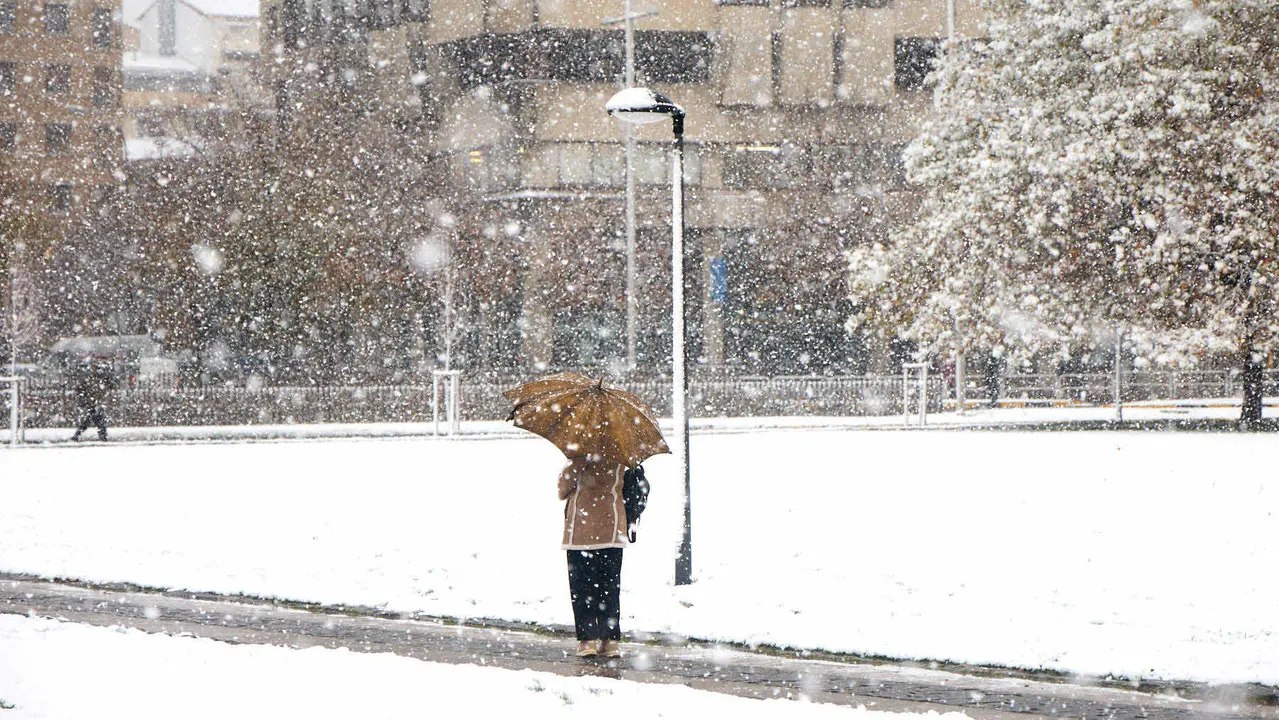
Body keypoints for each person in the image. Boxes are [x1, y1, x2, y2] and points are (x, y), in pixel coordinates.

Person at [558, 455, 629, 659]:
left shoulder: (581, 453)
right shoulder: (621, 452)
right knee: (609, 586)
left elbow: (563, 489)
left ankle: (587, 640)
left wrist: (574, 462)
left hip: (582, 532)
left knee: (582, 588)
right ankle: (610, 641)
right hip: (614, 529)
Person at [71, 359, 117, 442]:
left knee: (91, 420)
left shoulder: (98, 378)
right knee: (98, 420)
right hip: (92, 402)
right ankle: (102, 436)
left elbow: (110, 385)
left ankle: (77, 435)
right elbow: (83, 389)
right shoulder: (91, 379)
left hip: (93, 402)